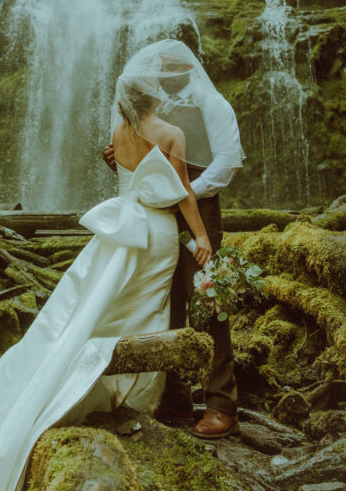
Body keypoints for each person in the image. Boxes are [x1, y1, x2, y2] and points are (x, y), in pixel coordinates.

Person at [0, 69, 211, 491]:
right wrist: (201, 236)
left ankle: (90, 381)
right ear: (155, 97)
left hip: (120, 229)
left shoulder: (118, 130)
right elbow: (182, 193)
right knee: (146, 309)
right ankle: (131, 400)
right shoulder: (172, 132)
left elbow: (128, 176)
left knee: (98, 307)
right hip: (154, 233)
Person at [102, 38, 245, 439]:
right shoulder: (149, 111)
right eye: (158, 66)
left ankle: (222, 403)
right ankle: (175, 395)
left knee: (208, 298)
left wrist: (180, 193)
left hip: (197, 207)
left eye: (170, 65)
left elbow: (227, 163)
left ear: (188, 64)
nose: (163, 72)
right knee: (164, 300)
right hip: (156, 212)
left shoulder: (213, 104)